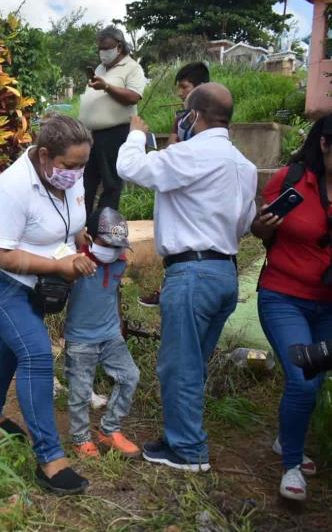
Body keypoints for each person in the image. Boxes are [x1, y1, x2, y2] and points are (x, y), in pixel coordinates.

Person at [116, 83, 257, 472]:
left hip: (192, 273)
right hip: (224, 274)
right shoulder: (243, 165)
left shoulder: (190, 154)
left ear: (194, 116)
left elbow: (129, 167)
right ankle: (183, 436)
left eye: (185, 112)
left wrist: (136, 136)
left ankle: (188, 449)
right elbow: (244, 224)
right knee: (192, 363)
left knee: (179, 365)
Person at [0, 115, 96, 495]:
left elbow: (67, 216)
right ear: (43, 155)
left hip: (35, 282)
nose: (77, 172)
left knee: (12, 346)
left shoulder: (68, 172)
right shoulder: (12, 189)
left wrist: (79, 234)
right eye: (71, 165)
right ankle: (50, 459)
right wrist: (59, 265)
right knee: (37, 353)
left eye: (83, 164)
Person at [251, 115, 332, 501]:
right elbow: (258, 230)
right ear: (324, 145)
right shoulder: (291, 179)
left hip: (328, 307)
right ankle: (293, 466)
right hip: (284, 297)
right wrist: (264, 225)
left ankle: (289, 438)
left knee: (314, 379)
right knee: (302, 377)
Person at [64, 207, 140, 460]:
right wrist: (71, 261)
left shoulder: (120, 261)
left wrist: (119, 321)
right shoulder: (75, 260)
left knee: (130, 376)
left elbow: (114, 291)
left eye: (117, 245)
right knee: (80, 392)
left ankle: (110, 430)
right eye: (105, 242)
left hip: (110, 335)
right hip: (80, 339)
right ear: (89, 237)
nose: (112, 249)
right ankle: (80, 438)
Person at [139, 61, 210, 308]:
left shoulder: (211, 120)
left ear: (201, 88)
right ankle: (167, 286)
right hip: (178, 183)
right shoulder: (182, 118)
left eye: (184, 87)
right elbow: (171, 149)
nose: (180, 93)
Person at [79, 26, 146, 216]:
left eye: (106, 47)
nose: (102, 52)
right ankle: (82, 226)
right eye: (100, 48)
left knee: (110, 183)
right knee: (86, 181)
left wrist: (107, 86)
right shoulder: (101, 68)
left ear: (119, 46)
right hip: (91, 134)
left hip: (115, 134)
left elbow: (133, 96)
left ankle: (104, 231)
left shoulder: (132, 68)